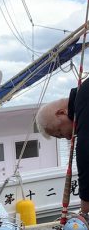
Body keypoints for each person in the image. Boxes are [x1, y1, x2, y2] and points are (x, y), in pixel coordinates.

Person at [36, 76, 89, 215]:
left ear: (61, 112)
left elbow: (85, 152)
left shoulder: (83, 97)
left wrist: (85, 211)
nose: (67, 137)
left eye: (59, 132)